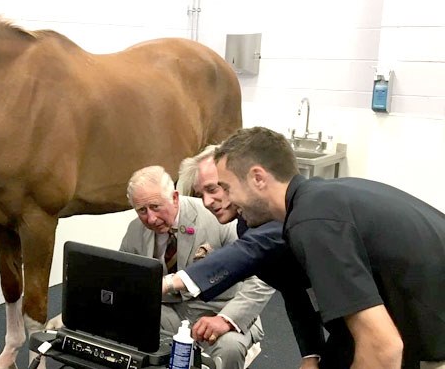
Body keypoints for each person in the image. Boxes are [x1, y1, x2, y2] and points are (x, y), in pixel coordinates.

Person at [212, 126, 445, 369]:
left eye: (227, 188)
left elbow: (383, 348)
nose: (228, 200)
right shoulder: (323, 199)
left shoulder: (312, 221)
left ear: (258, 178)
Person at [170, 145, 352, 369]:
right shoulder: (246, 224)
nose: (207, 202)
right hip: (344, 319)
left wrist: (171, 282)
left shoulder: (294, 212)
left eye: (217, 188)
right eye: (201, 194)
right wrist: (311, 353)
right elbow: (295, 290)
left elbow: (249, 251)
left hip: (378, 314)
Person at [120, 165, 273, 369]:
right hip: (168, 312)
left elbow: (262, 279)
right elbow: (123, 278)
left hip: (220, 309)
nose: (151, 218)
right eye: (141, 211)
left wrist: (226, 319)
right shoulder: (135, 230)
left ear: (175, 197)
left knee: (229, 348)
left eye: (156, 207)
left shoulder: (220, 218)